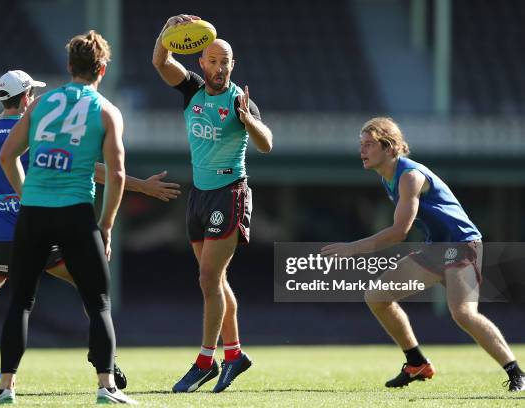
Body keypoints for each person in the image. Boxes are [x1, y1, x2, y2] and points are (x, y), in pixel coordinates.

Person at [0, 69, 180, 393]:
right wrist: (142, 187)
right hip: (39, 235)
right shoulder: (38, 130)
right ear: (26, 98)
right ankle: (105, 359)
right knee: (92, 293)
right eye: (32, 94)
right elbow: (94, 170)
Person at [0, 31, 139, 404]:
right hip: (75, 213)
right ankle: (106, 387)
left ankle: (6, 388)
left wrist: (29, 197)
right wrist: (105, 227)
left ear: (69, 65)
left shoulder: (39, 105)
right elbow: (117, 175)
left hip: (35, 213)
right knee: (98, 302)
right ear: (102, 68)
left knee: (21, 300)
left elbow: (7, 156)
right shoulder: (106, 110)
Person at [321, 117, 525, 392]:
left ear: (390, 147)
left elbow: (399, 232)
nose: (362, 151)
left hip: (461, 246)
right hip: (435, 249)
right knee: (377, 296)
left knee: (463, 313)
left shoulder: (410, 176)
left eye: (369, 144)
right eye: (362, 145)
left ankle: (516, 373)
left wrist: (352, 248)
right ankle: (416, 362)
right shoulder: (388, 178)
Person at [152, 14, 273, 393]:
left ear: (233, 65)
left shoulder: (239, 99)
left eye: (226, 62)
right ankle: (235, 356)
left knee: (208, 279)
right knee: (215, 281)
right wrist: (168, 31)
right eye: (214, 62)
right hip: (199, 196)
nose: (220, 68)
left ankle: (205, 360)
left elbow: (267, 143)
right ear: (201, 64)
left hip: (230, 193)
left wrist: (247, 121)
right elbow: (159, 61)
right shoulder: (192, 90)